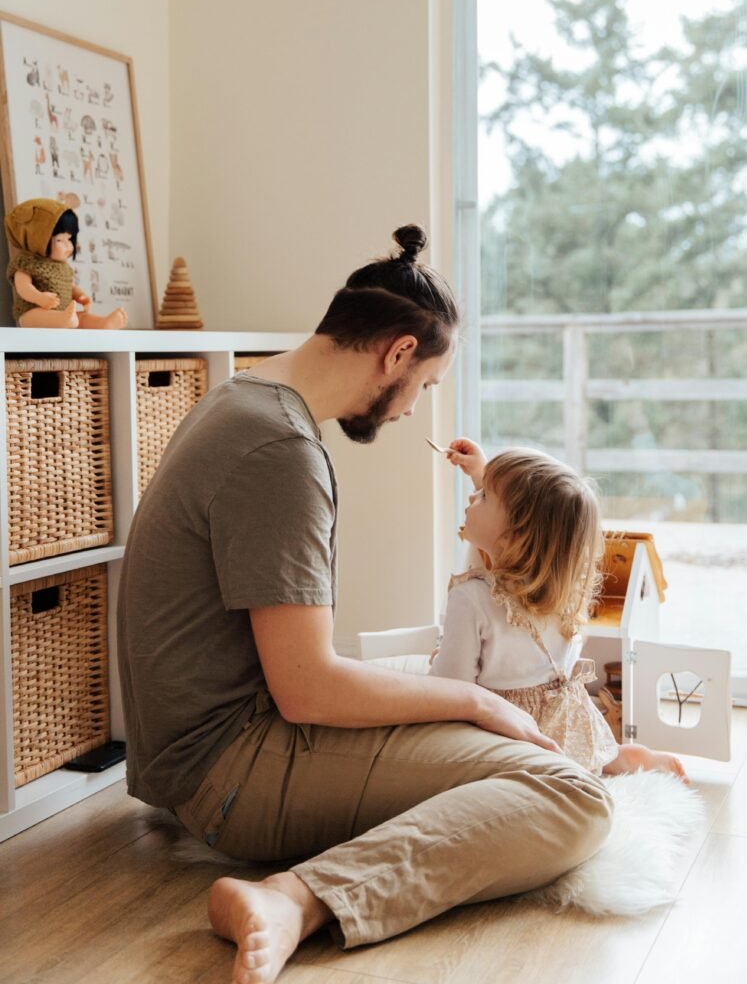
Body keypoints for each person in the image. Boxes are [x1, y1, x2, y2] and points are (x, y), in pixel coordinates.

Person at [117, 226, 613, 984]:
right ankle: (296, 897)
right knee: (569, 794)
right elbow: (307, 688)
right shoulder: (279, 454)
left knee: (505, 755)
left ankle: (300, 889)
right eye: (426, 387)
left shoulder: (242, 401)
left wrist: (453, 704)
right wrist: (473, 705)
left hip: (195, 754)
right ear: (398, 354)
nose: (415, 409)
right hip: (227, 771)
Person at [431, 437, 688, 782]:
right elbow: (507, 530)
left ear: (514, 538)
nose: (471, 498)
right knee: (585, 762)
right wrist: (480, 474)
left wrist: (439, 660)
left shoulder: (471, 597)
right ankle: (621, 759)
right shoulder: (557, 590)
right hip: (565, 717)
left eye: (484, 495)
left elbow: (450, 688)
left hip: (510, 732)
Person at [4, 197, 128, 329]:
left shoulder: (63, 267)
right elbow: (23, 287)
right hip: (33, 311)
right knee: (40, 316)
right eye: (59, 240)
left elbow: (71, 287)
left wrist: (81, 296)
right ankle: (63, 320)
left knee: (81, 317)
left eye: (69, 239)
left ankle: (103, 324)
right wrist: (39, 298)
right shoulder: (25, 263)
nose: (68, 246)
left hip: (64, 312)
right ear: (36, 239)